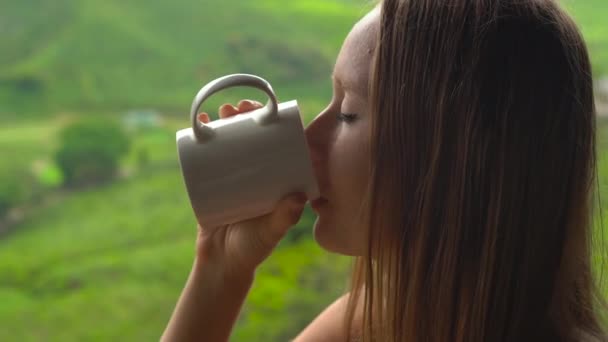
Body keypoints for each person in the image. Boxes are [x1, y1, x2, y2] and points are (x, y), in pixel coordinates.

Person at [162, 0, 608, 341]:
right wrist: (220, 269)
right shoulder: (362, 326)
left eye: (348, 113)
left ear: (454, 155)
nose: (310, 140)